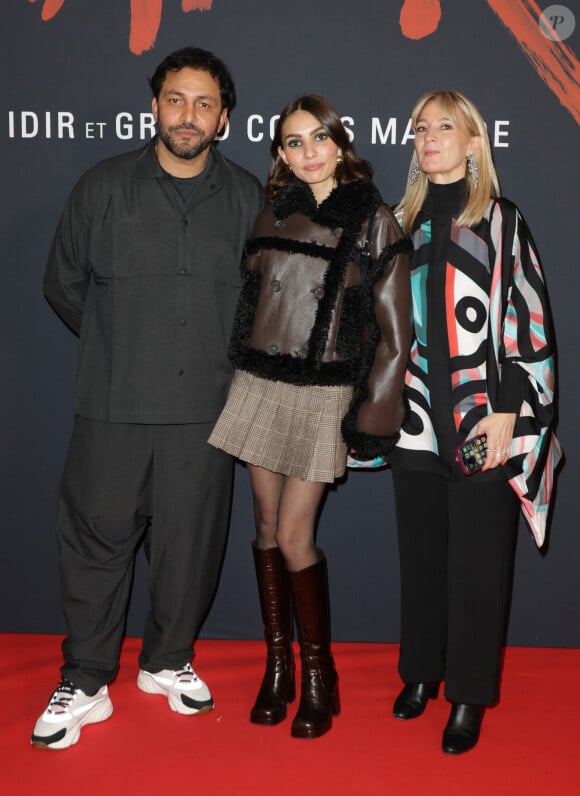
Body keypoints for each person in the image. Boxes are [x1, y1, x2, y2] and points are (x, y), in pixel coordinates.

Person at [32, 47, 263, 750]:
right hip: (113, 404)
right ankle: (88, 677)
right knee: (96, 546)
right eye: (174, 99)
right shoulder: (102, 187)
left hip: (206, 412)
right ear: (154, 106)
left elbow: (261, 302)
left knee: (190, 549)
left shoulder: (249, 197)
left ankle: (167, 661)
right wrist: (117, 343)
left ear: (223, 117)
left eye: (202, 103)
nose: (187, 115)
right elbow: (63, 284)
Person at [209, 95, 412, 739]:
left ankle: (320, 675)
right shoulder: (274, 210)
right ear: (281, 154)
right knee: (265, 527)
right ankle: (279, 667)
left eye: (318, 137)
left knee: (296, 536)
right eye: (293, 143)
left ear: (340, 142)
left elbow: (395, 336)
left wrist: (368, 418)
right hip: (262, 384)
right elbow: (249, 306)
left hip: (325, 393)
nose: (308, 152)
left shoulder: (374, 220)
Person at [389, 90, 562, 754]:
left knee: (479, 567)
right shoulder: (400, 222)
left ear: (472, 143)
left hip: (482, 420)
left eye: (444, 127)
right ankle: (420, 675)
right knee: (421, 556)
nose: (429, 137)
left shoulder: (501, 222)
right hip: (413, 423)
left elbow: (531, 321)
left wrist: (509, 411)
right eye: (420, 128)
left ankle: (467, 695)